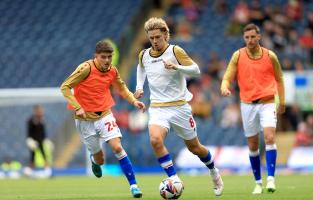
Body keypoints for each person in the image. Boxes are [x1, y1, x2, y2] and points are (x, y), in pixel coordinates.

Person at [134, 17, 224, 196]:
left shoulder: (175, 51)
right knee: (155, 140)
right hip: (158, 108)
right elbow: (141, 68)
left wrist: (176, 67)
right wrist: (138, 87)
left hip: (179, 107)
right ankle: (174, 178)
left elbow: (196, 70)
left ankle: (214, 171)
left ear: (166, 35)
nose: (154, 41)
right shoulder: (144, 54)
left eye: (158, 37)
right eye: (151, 38)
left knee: (195, 148)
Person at [60, 40, 145, 198]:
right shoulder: (85, 69)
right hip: (85, 120)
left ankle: (134, 185)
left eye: (109, 57)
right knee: (100, 159)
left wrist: (134, 100)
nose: (107, 60)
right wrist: (78, 107)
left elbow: (121, 88)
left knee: (117, 147)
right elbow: (64, 87)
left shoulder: (112, 70)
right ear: (96, 56)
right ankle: (94, 159)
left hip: (105, 114)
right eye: (103, 57)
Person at [221, 23, 285, 194]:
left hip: (268, 102)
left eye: (252, 37)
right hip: (247, 105)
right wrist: (224, 86)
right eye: (246, 37)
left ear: (259, 37)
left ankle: (271, 179)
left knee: (270, 137)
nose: (249, 40)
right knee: (253, 144)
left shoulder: (270, 56)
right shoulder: (238, 55)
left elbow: (279, 79)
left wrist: (282, 102)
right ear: (244, 38)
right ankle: (258, 182)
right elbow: (227, 76)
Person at [25, 104, 52, 176]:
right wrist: (29, 139)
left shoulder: (42, 119)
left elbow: (43, 132)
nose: (41, 111)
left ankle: (47, 171)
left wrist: (46, 140)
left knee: (44, 155)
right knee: (32, 156)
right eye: (39, 110)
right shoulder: (31, 120)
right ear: (35, 111)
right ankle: (28, 172)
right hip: (33, 141)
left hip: (41, 141)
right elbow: (29, 132)